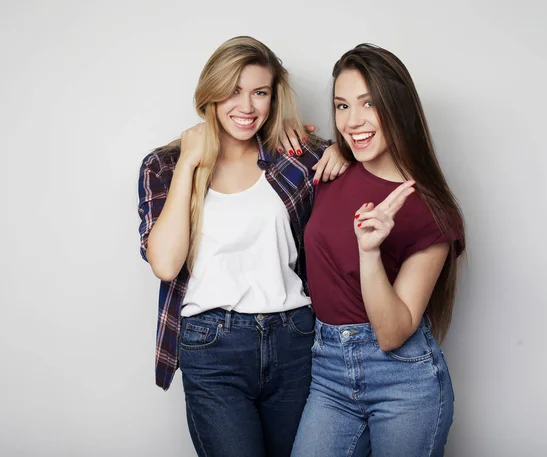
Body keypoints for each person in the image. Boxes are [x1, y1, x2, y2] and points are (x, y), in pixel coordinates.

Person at [136, 36, 347, 457]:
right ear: (210, 94)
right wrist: (190, 163)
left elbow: (374, 152)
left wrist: (341, 150)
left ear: (273, 97)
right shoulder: (163, 165)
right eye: (233, 91)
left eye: (260, 93)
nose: (247, 107)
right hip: (212, 347)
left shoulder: (295, 158)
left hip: (294, 339)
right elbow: (165, 263)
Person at [291, 44, 466, 457]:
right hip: (328, 370)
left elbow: (392, 333)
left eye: (369, 103)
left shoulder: (432, 211)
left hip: (402, 381)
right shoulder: (331, 169)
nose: (354, 121)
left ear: (397, 105)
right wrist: (330, 145)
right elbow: (252, 127)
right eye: (342, 105)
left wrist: (369, 251)